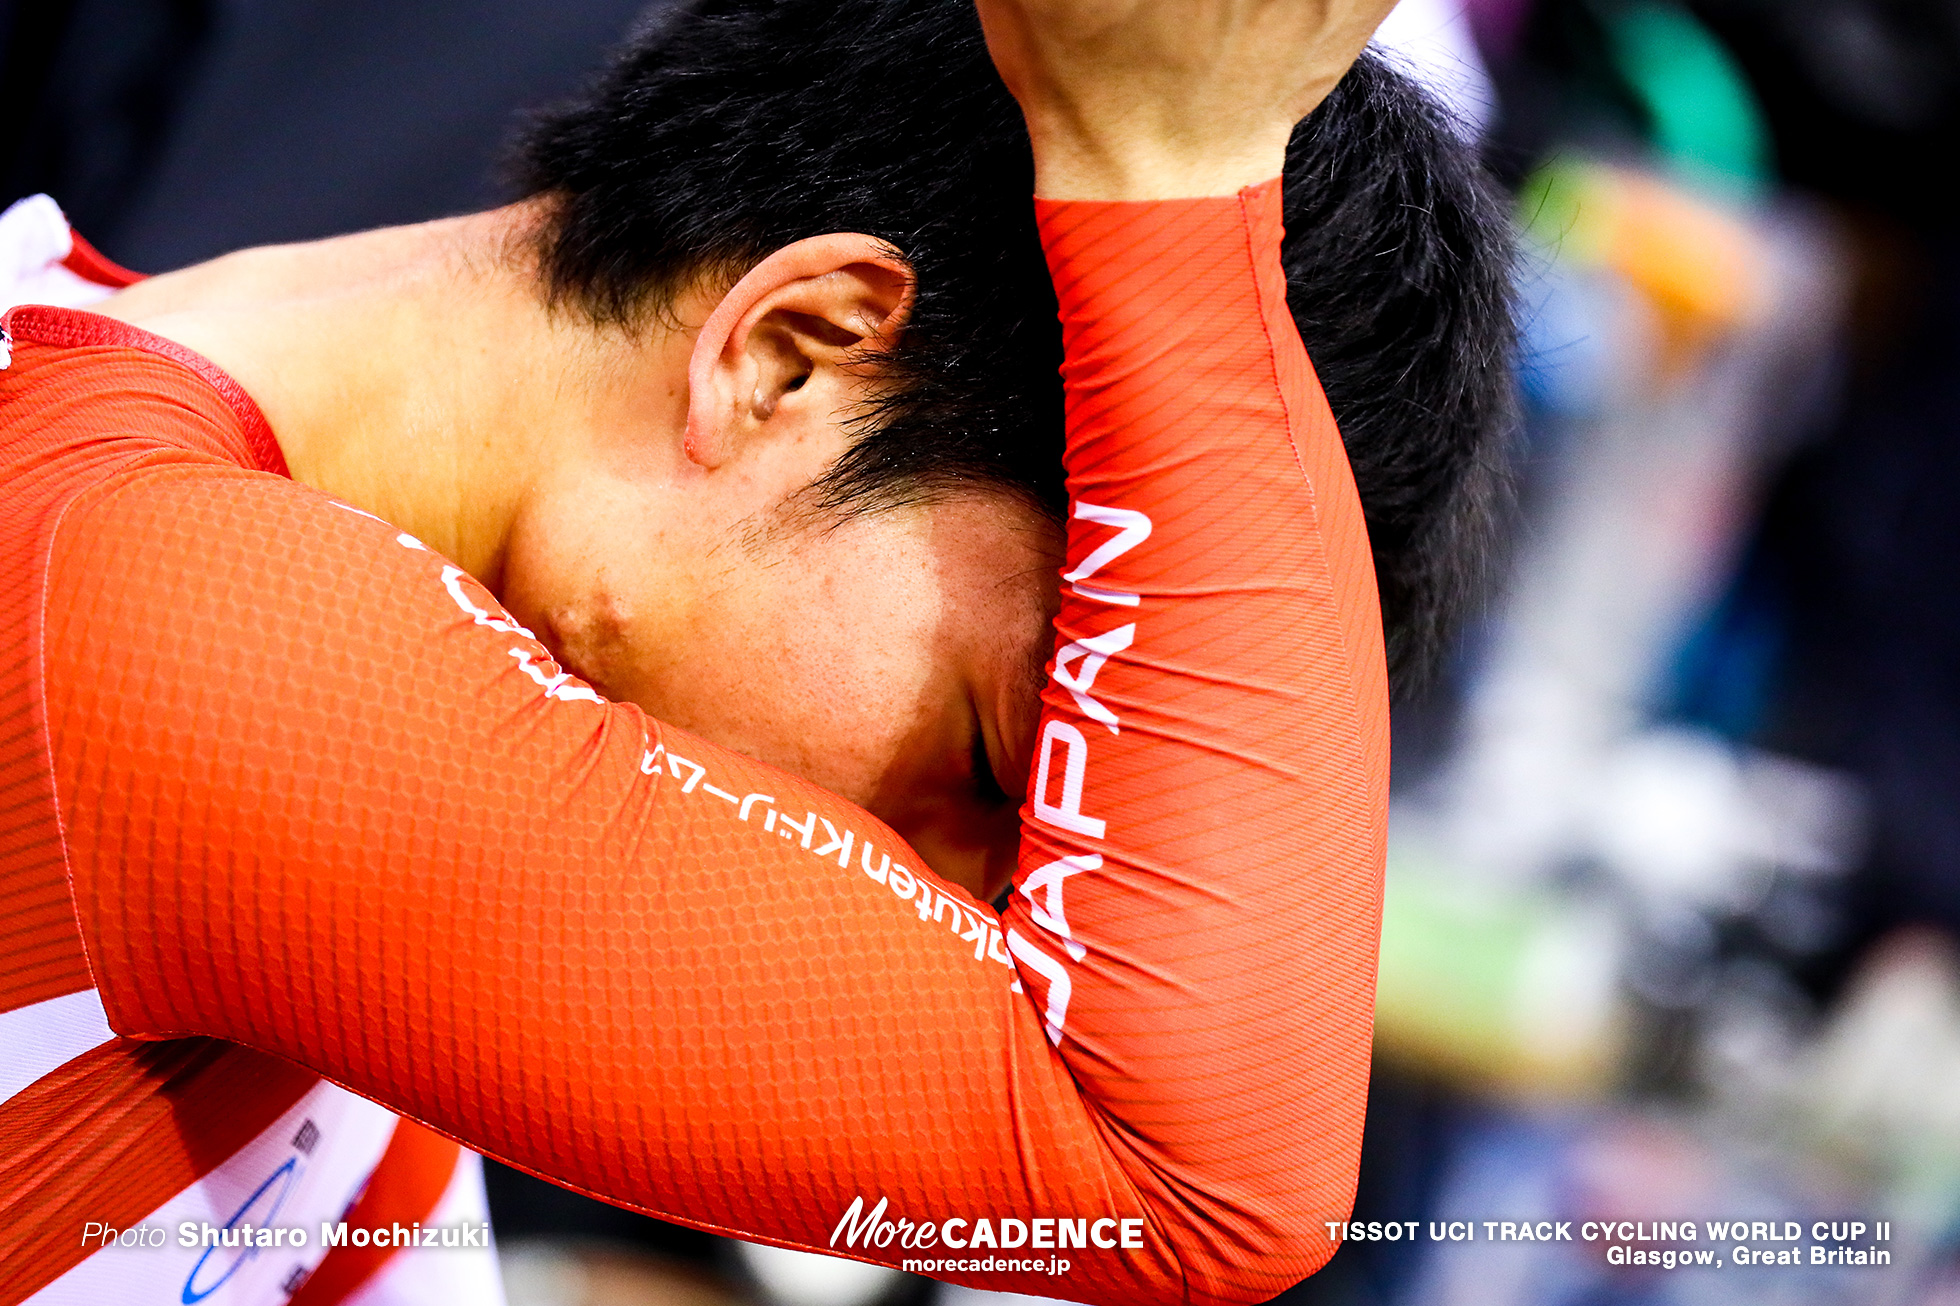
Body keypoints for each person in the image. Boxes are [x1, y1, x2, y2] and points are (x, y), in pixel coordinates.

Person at [0, 1, 1514, 1303]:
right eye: (995, 762)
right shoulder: (175, 615)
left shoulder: (158, 486)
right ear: (788, 353)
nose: (975, 914)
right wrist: (1168, 181)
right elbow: (1194, 1175)